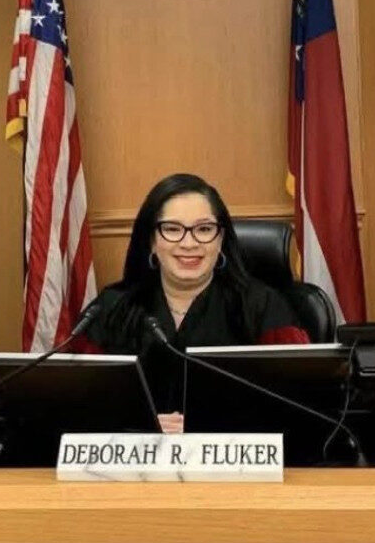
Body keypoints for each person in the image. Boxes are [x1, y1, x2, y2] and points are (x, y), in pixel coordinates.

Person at [72, 173, 309, 433]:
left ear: (221, 239)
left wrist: (205, 428)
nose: (189, 243)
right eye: (172, 229)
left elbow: (301, 405)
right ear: (151, 240)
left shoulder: (262, 307)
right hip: (132, 467)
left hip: (234, 468)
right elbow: (73, 402)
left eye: (204, 229)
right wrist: (143, 427)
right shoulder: (111, 308)